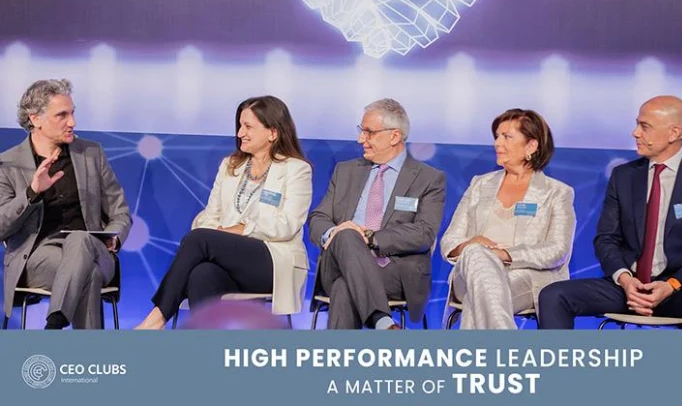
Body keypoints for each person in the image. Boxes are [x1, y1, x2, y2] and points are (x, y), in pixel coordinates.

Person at [539, 96, 682, 329]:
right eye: (637, 124)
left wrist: (672, 284)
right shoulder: (623, 176)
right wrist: (625, 280)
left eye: (645, 126)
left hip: (681, 287)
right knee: (554, 295)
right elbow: (606, 239)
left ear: (674, 133)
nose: (635, 133)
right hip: (628, 287)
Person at [135, 96, 312, 330]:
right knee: (202, 274)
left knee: (199, 239)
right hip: (230, 261)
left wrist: (239, 230)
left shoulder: (296, 169)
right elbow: (211, 214)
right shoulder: (231, 166)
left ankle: (155, 320)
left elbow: (287, 225)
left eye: (248, 127)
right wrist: (219, 234)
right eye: (239, 126)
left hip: (273, 261)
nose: (240, 133)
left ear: (272, 133)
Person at [0, 79, 132, 329]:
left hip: (95, 250)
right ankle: (80, 345)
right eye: (62, 115)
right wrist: (31, 192)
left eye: (72, 113)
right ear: (35, 119)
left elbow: (120, 212)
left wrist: (114, 239)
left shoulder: (91, 153)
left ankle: (54, 325)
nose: (72, 122)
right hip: (39, 257)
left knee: (80, 240)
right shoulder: (9, 164)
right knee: (89, 274)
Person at [308, 98, 446, 329]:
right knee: (347, 234)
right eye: (361, 131)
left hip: (393, 270)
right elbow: (318, 218)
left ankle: (370, 332)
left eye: (369, 132)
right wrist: (336, 233)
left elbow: (424, 233)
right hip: (337, 261)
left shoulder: (428, 179)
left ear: (394, 136)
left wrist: (371, 238)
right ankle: (383, 322)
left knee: (345, 287)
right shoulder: (345, 171)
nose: (361, 139)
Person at [440, 109, 575, 329]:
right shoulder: (480, 184)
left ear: (531, 146)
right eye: (497, 136)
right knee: (476, 254)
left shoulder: (557, 192)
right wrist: (472, 245)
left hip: (523, 275)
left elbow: (558, 250)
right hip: (468, 272)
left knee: (480, 297)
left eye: (507, 137)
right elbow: (449, 241)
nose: (497, 143)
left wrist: (505, 255)